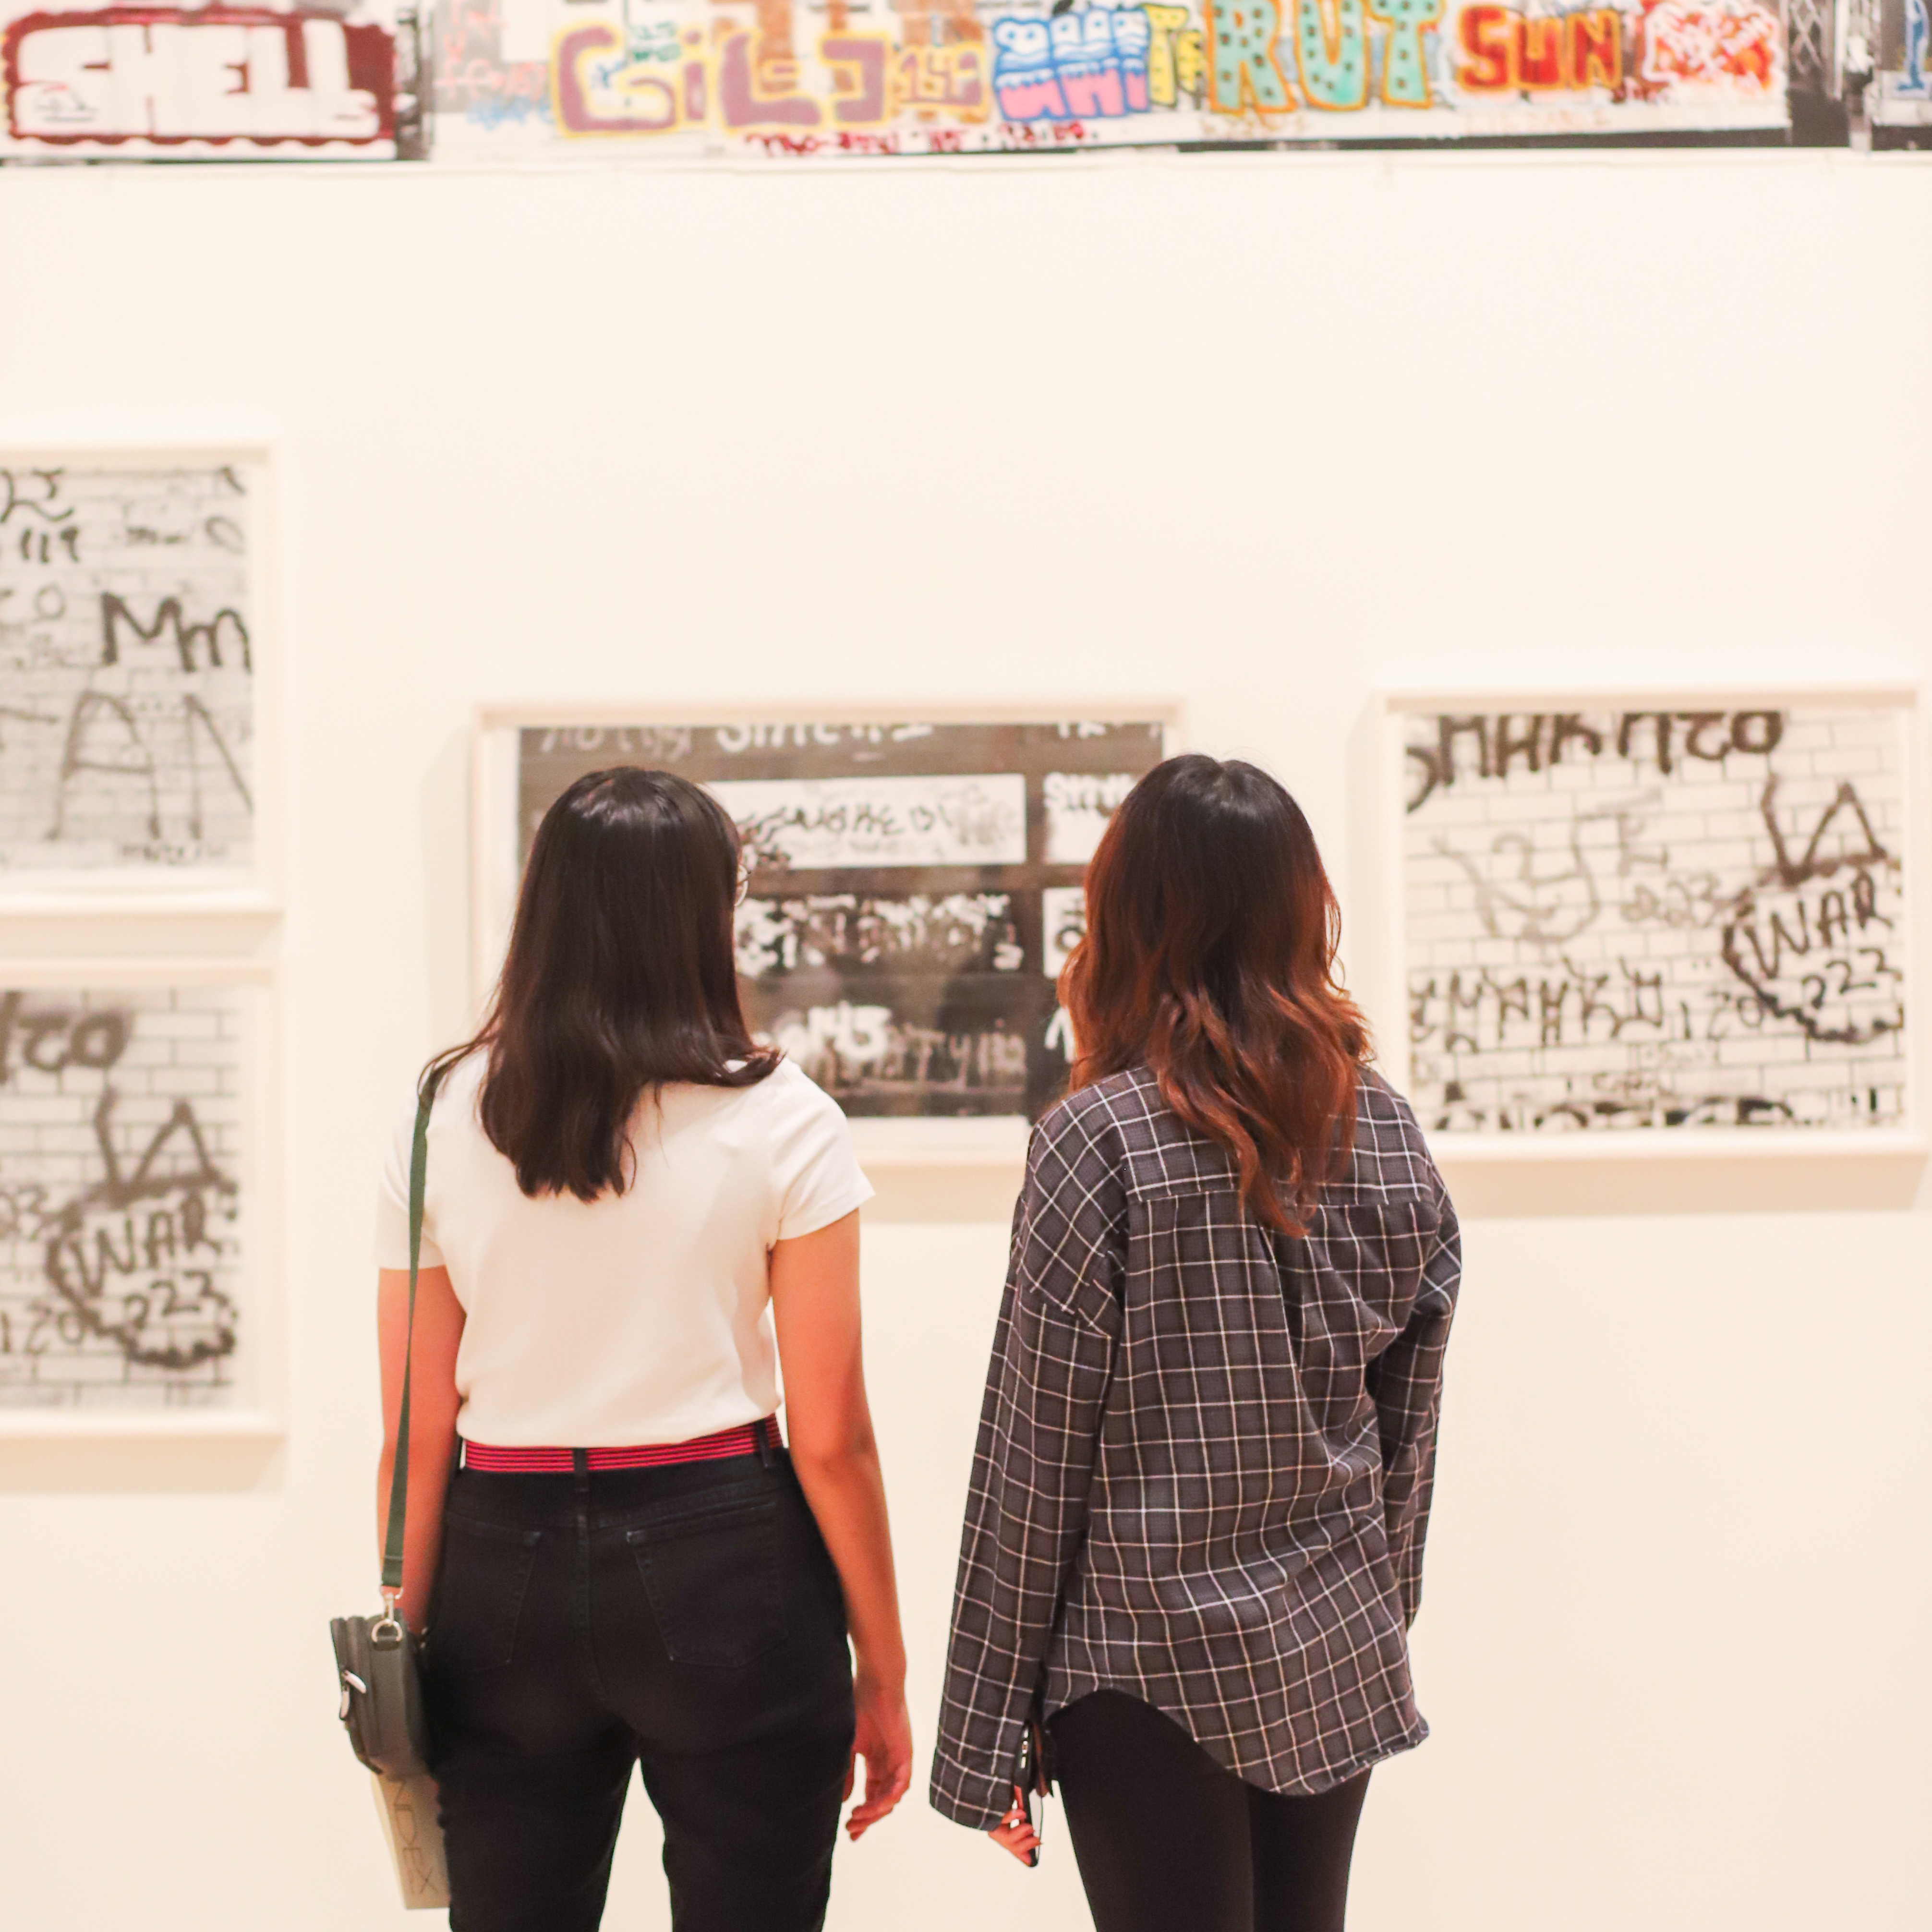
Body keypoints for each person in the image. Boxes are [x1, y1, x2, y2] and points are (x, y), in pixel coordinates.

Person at [373, 767, 912, 1932]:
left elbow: (414, 1426)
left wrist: (399, 1647)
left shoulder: (443, 1112)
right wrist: (884, 1661)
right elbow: (832, 1436)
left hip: (497, 1565)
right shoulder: (780, 1117)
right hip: (724, 1553)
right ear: (702, 915)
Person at [929, 754, 1461, 1932]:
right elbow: (1407, 1432)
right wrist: (1379, 1612)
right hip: (1327, 1634)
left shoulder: (1095, 1138)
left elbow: (1032, 1457)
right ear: (1295, 906)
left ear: (1127, 914)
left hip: (1137, 1656)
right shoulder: (1380, 1125)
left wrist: (979, 1735)